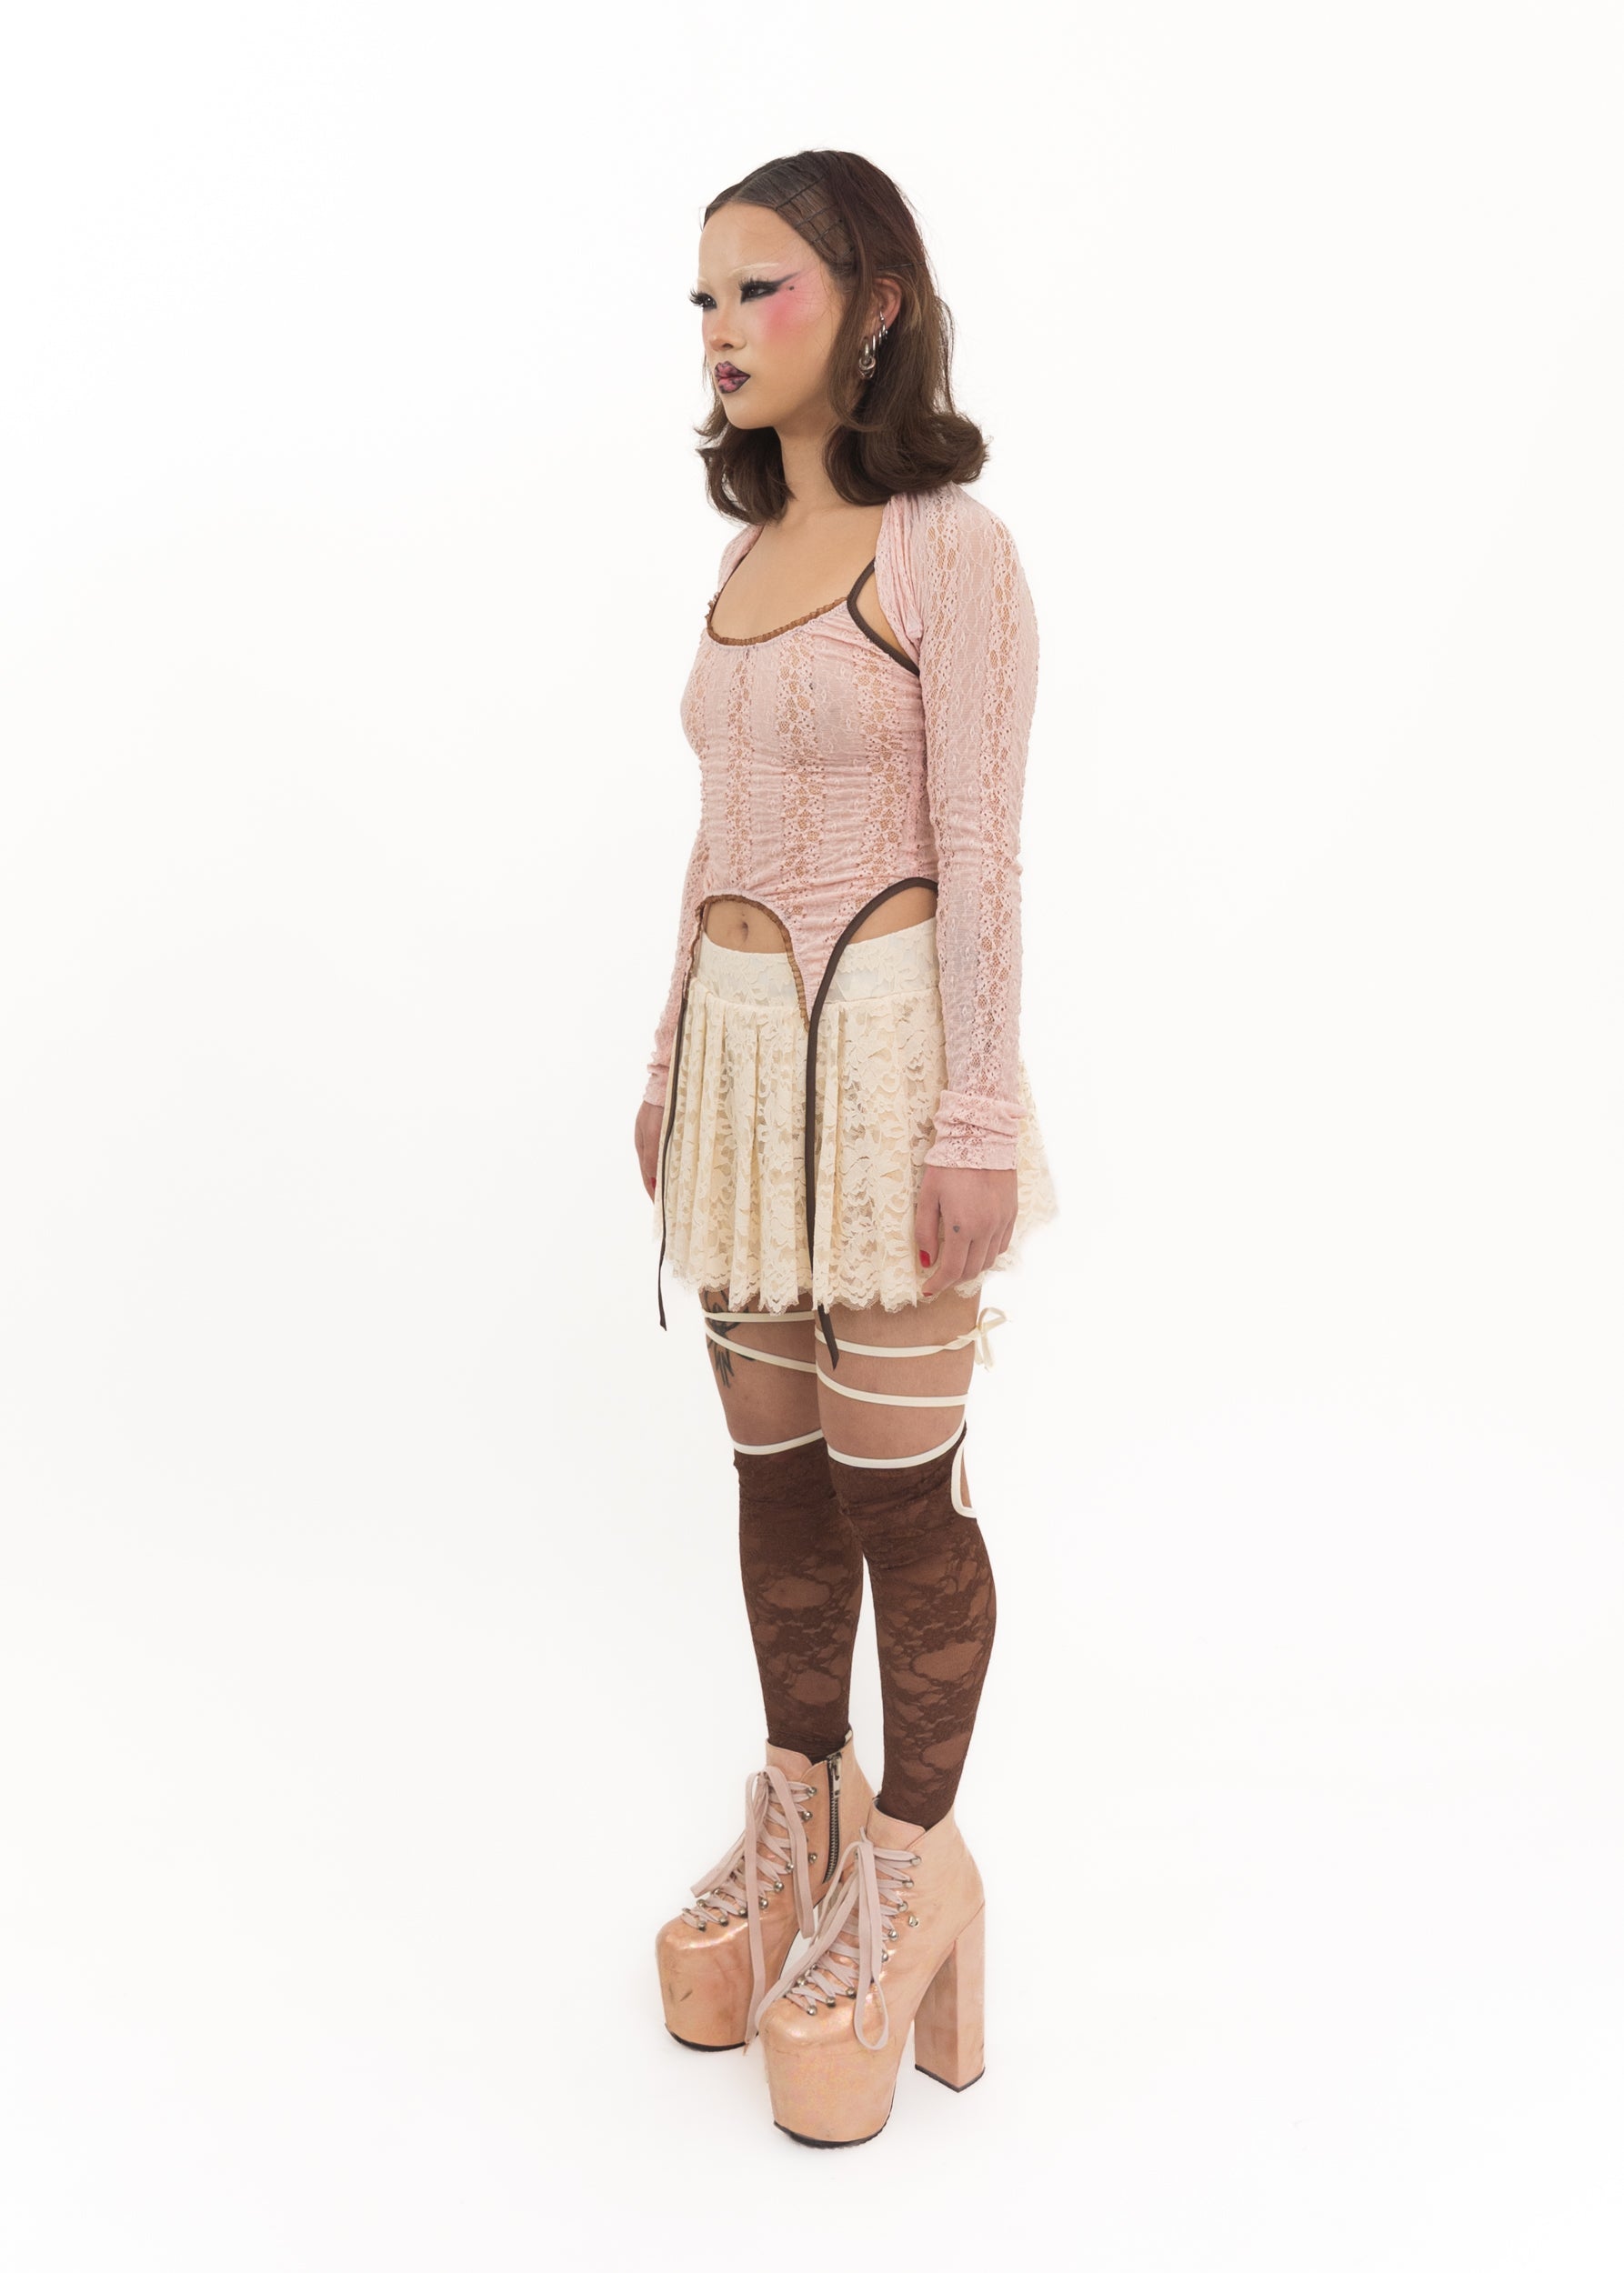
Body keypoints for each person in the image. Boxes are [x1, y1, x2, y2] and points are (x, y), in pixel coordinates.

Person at [635, 149, 1059, 2148]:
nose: (720, 330)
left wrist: (976, 1110)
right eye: (703, 299)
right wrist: (663, 1059)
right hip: (736, 1068)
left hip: (887, 1060)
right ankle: (797, 1810)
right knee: (774, 1471)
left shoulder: (945, 550)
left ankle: (911, 1862)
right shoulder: (745, 557)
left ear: (873, 302)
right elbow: (715, 837)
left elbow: (980, 846)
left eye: (760, 289)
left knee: (900, 1492)